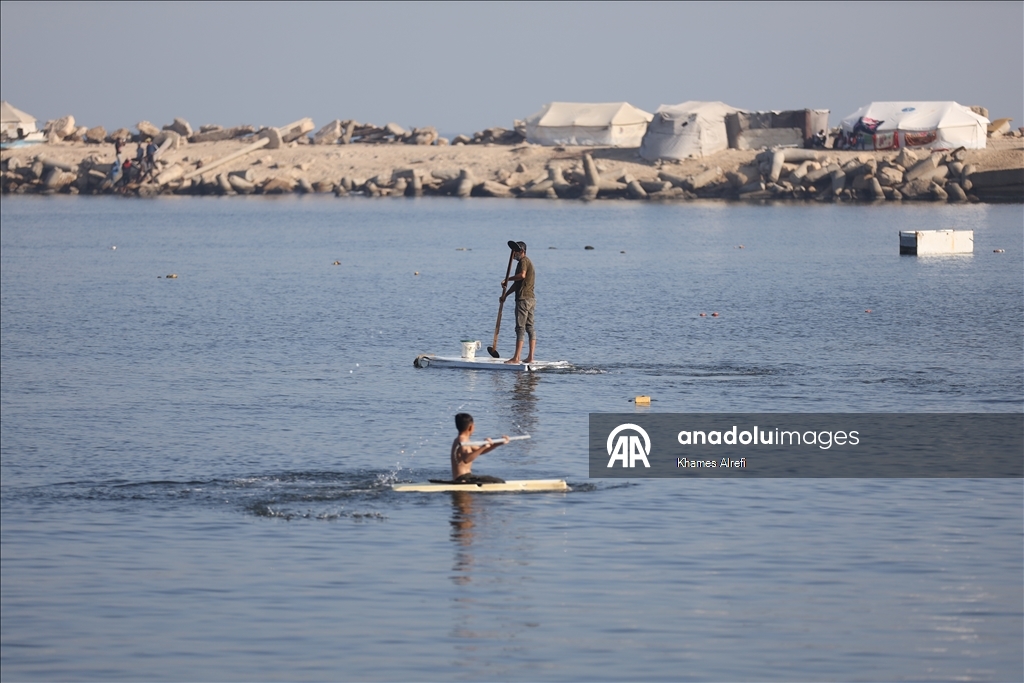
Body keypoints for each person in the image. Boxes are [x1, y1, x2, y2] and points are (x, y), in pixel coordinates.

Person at [500, 241, 535, 364]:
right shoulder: (525, 262)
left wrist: (508, 278)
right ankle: (530, 357)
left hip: (523, 300)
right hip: (530, 299)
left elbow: (522, 276)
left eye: (516, 252)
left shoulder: (523, 261)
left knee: (520, 328)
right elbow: (517, 284)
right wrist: (506, 295)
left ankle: (516, 358)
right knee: (530, 327)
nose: (513, 254)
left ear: (522, 252)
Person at [450, 413, 509, 484]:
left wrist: (500, 443)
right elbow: (466, 459)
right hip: (462, 479)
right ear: (471, 427)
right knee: (499, 482)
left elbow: (480, 451)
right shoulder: (461, 440)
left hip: (467, 477)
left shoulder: (464, 440)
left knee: (497, 480)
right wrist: (484, 446)